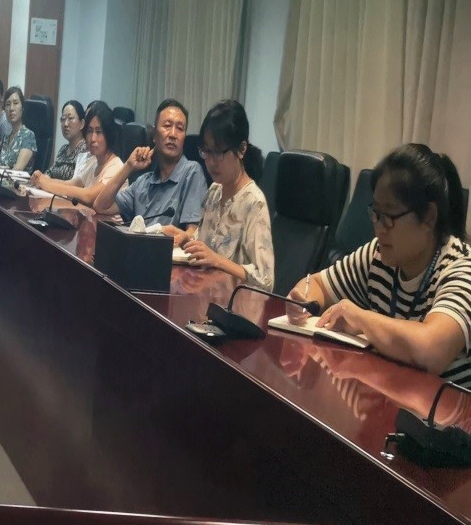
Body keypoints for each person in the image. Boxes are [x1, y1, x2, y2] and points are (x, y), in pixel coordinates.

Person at [286, 143, 471, 387]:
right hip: (389, 396)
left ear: (428, 217)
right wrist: (304, 299)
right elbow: (318, 283)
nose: (378, 227)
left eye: (390, 216)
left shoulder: (461, 267)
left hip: (441, 408)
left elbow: (432, 350)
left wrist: (360, 318)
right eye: (376, 212)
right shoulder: (379, 254)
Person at [178, 100, 274, 290]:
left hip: (233, 304)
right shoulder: (214, 191)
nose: (211, 161)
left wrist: (218, 261)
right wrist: (184, 238)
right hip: (203, 294)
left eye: (219, 152)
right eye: (206, 151)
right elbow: (203, 243)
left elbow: (266, 280)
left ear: (242, 149)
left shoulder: (254, 202)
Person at [92, 98, 208, 233]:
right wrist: (128, 166)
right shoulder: (143, 183)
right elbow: (100, 206)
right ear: (154, 135)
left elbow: (193, 233)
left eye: (180, 128)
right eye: (167, 126)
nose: (173, 134)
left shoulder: (192, 172)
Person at [29, 101, 125, 220]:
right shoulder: (94, 163)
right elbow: (70, 184)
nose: (92, 138)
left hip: (106, 227)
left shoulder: (116, 166)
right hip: (87, 223)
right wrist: (43, 179)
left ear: (108, 134)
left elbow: (89, 196)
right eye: (89, 131)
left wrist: (47, 185)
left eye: (99, 132)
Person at [0, 86, 36, 170]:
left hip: (15, 178)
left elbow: (18, 169)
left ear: (22, 108)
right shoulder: (6, 137)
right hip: (0, 177)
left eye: (15, 103)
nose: (11, 108)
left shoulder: (28, 136)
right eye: (8, 104)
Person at [46, 100, 88, 181]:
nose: (65, 124)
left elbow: (77, 182)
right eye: (63, 119)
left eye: (70, 118)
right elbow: (49, 173)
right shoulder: (63, 149)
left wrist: (49, 182)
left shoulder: (86, 150)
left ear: (82, 124)